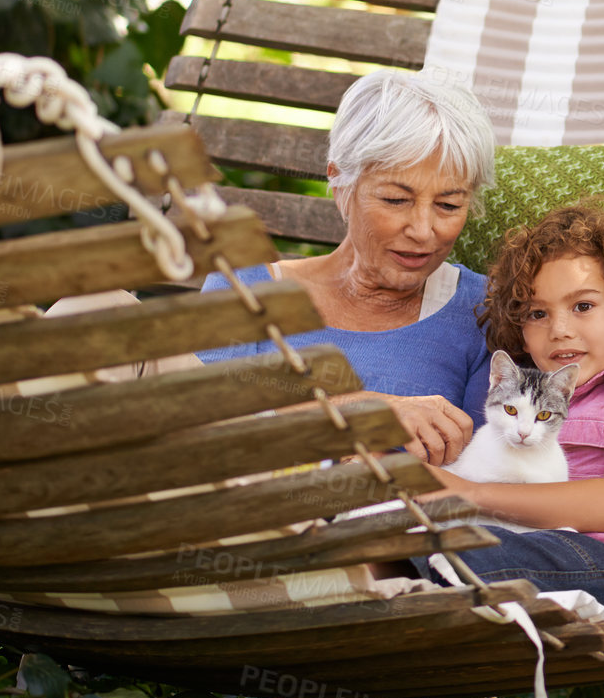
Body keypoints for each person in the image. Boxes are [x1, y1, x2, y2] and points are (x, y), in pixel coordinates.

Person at [410, 201, 604, 628]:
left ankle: (390, 573)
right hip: (519, 547)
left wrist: (465, 493)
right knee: (404, 535)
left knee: (459, 547)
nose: (560, 329)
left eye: (582, 306)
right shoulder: (517, 396)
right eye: (537, 313)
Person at [199, 69, 496, 466]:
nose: (424, 231)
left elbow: (487, 471)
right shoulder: (243, 289)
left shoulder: (484, 310)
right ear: (341, 185)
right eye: (395, 199)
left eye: (449, 205)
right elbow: (195, 428)